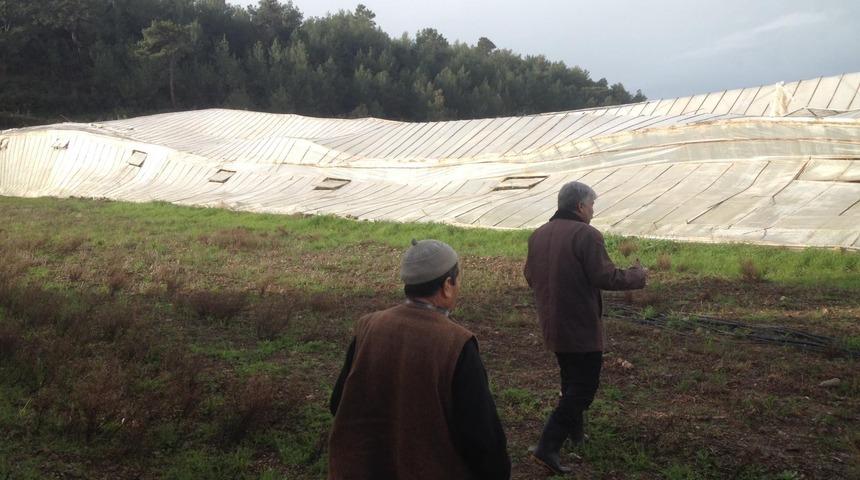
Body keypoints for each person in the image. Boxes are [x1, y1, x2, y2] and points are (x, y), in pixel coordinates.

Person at [328, 239, 511, 480]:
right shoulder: (456, 343)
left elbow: (338, 403)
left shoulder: (369, 325)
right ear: (447, 285)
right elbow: (481, 436)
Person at [524, 181, 647, 475]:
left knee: (570, 380)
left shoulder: (538, 235)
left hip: (552, 322)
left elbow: (530, 275)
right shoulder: (586, 234)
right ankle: (548, 445)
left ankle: (574, 435)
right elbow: (605, 276)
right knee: (584, 388)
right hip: (579, 322)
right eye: (591, 205)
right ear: (580, 207)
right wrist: (638, 275)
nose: (593, 210)